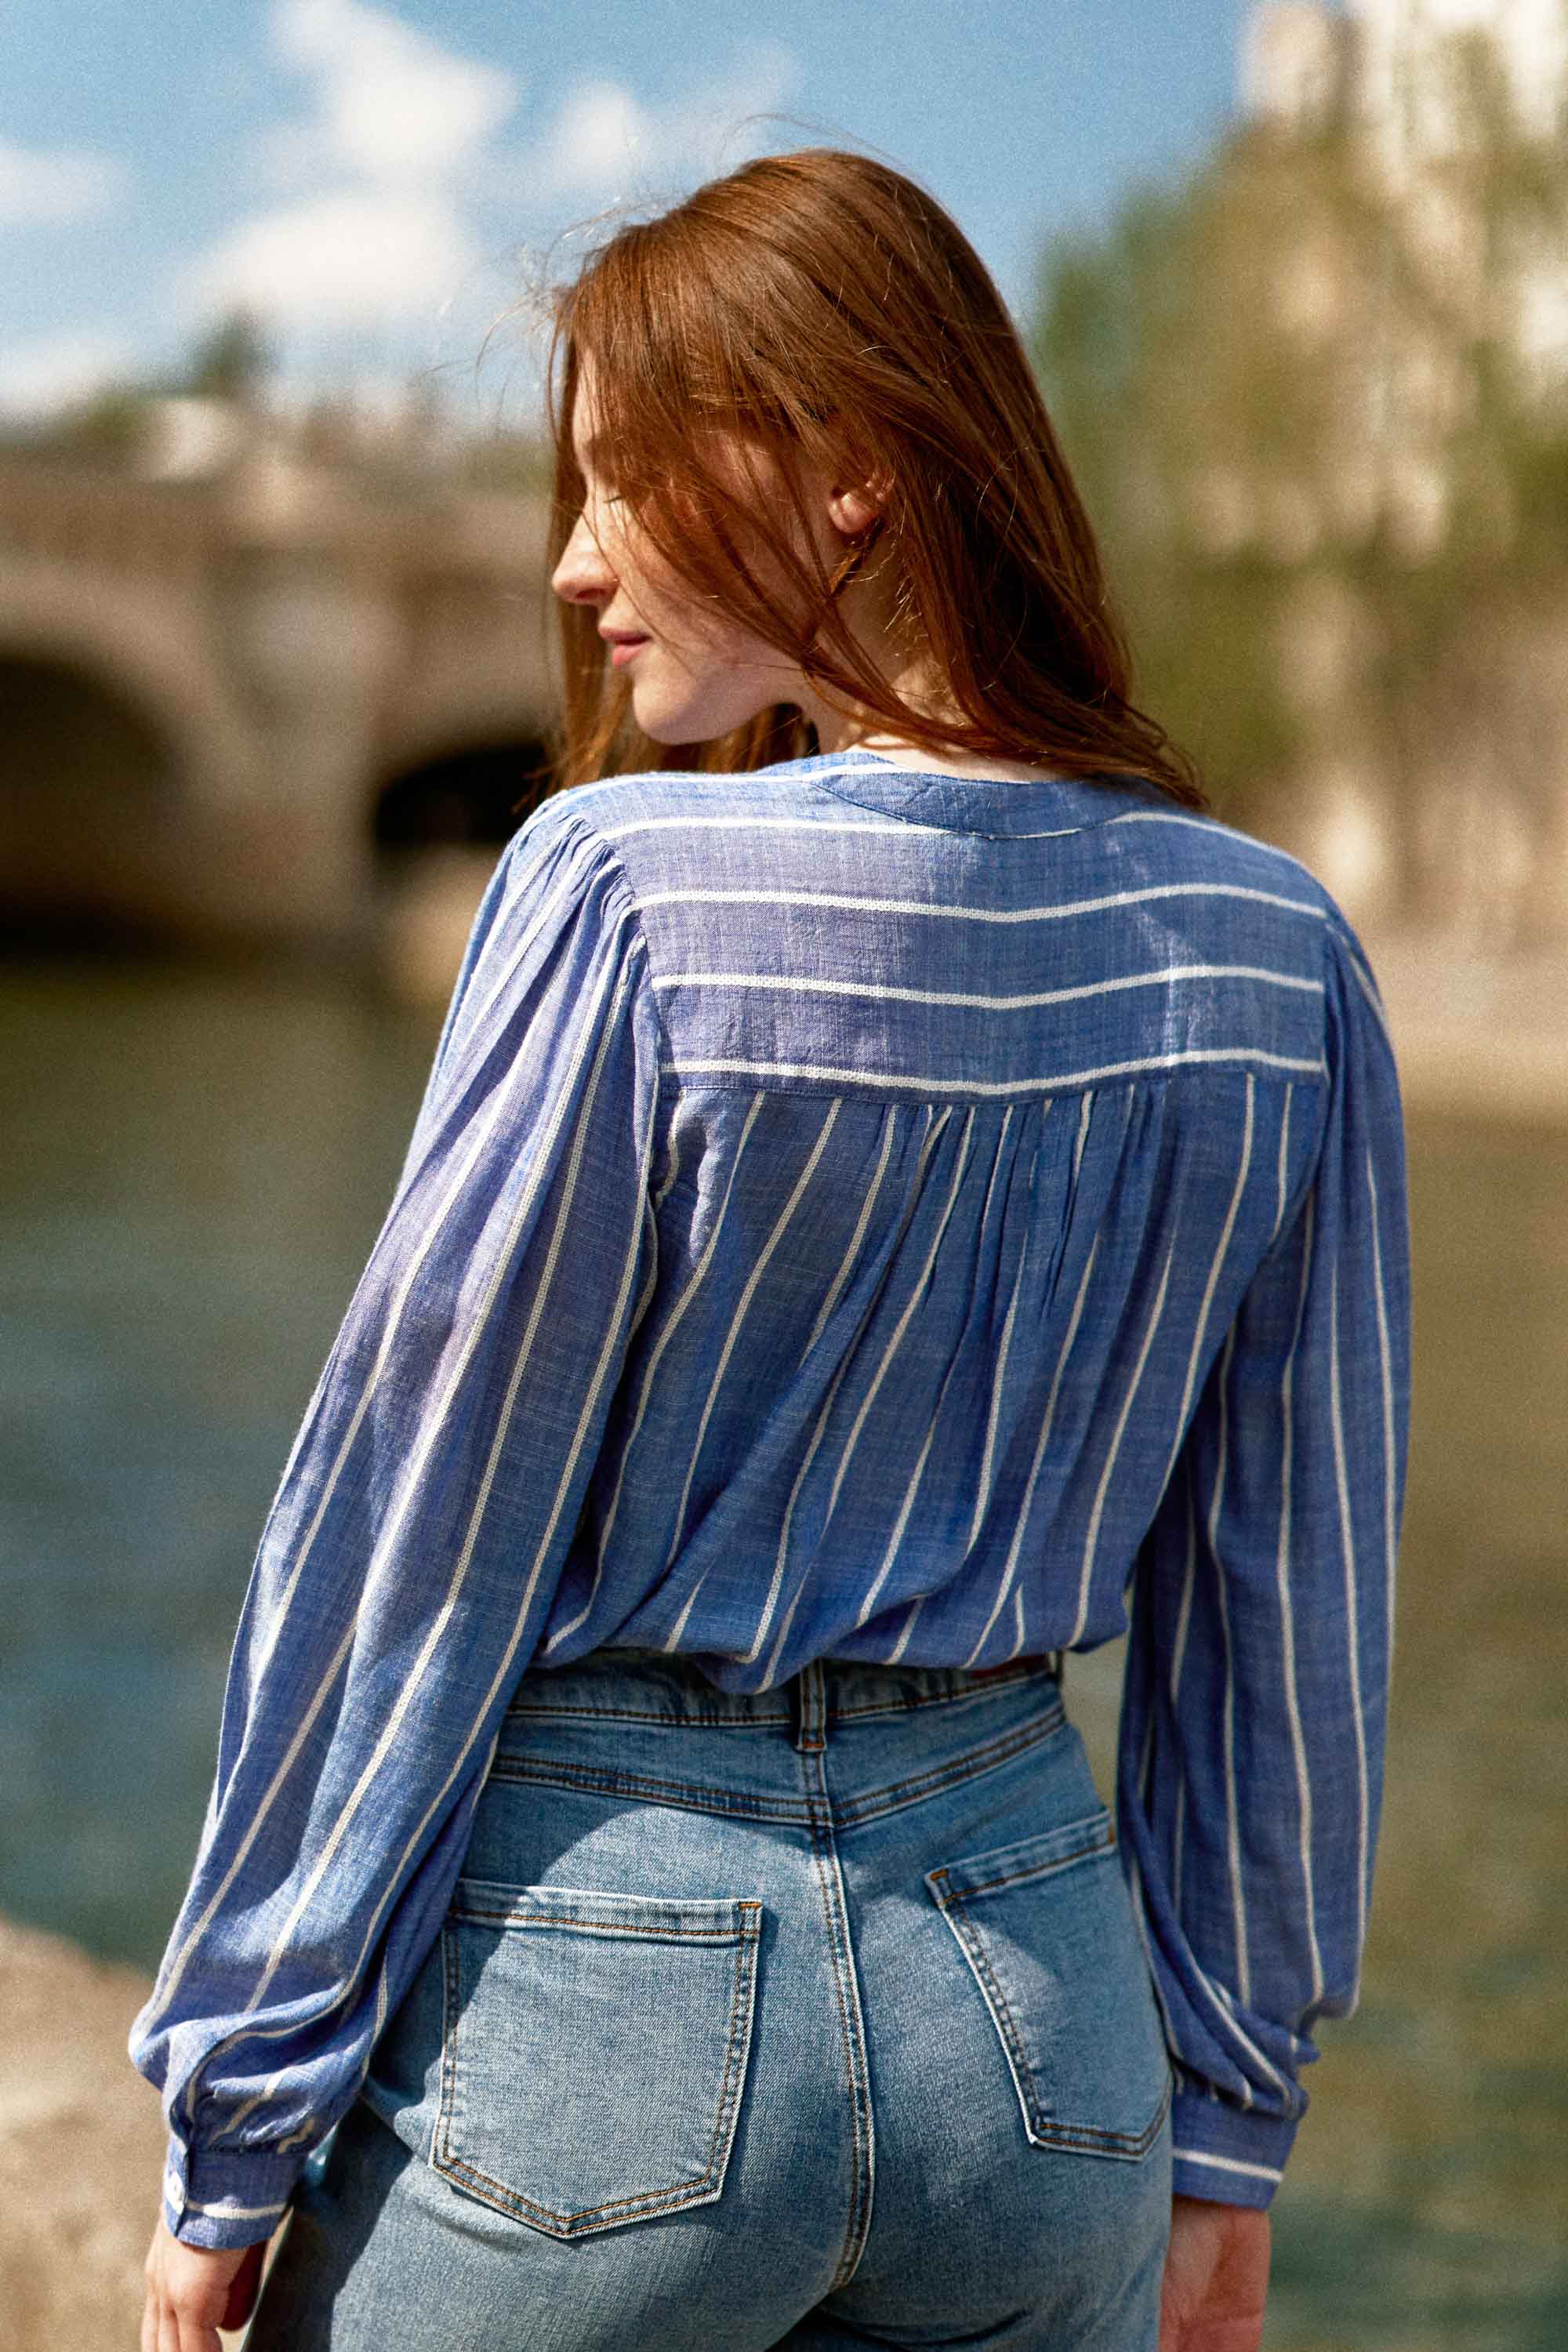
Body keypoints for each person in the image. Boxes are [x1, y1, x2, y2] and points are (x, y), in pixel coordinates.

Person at [132, 147, 1410, 2352]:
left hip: (604, 2004)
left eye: (628, 480)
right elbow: (1286, 1612)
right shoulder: (1278, 955)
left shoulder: (624, 891)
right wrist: (1228, 2133)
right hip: (1043, 2031)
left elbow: (419, 1534)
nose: (571, 561)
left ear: (849, 476)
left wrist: (239, 2108)